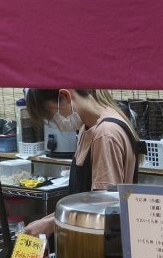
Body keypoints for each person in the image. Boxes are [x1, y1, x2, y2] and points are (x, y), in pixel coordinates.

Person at [22, 89, 139, 236]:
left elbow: (103, 208)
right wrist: (46, 221)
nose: (53, 124)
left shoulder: (105, 133)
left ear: (65, 96)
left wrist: (50, 224)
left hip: (101, 242)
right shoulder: (87, 128)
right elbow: (85, 200)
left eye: (50, 116)